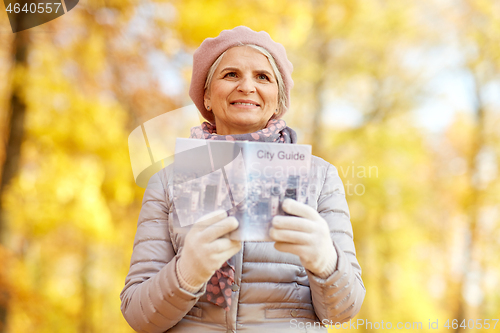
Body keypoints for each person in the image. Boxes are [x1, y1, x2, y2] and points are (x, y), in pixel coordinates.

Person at [120, 26, 365, 333]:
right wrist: (186, 273)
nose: (247, 86)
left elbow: (344, 311)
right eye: (231, 74)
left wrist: (326, 262)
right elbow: (137, 316)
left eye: (263, 76)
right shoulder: (166, 182)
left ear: (278, 100)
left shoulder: (321, 177)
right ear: (206, 97)